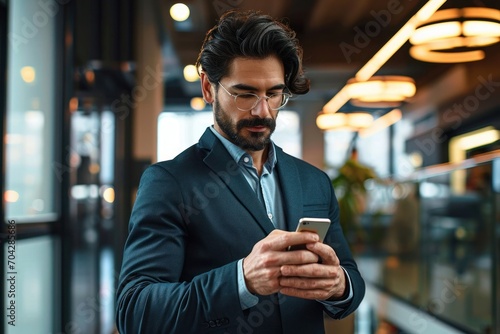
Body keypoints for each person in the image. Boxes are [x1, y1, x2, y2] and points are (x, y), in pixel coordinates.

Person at [116, 9, 365, 334]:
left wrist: (339, 285)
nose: (262, 111)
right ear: (208, 88)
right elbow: (136, 312)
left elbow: (351, 282)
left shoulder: (314, 181)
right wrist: (241, 280)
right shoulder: (169, 183)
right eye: (245, 94)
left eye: (274, 94)